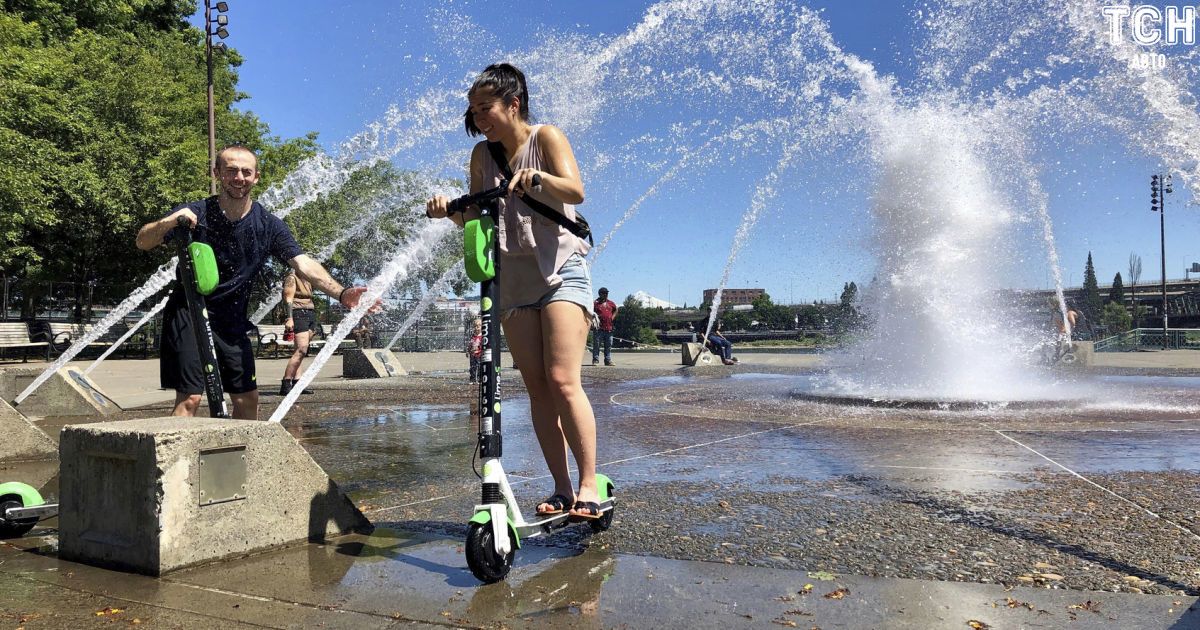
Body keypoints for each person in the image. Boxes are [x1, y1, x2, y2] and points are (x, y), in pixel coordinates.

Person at [425, 63, 602, 520]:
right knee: (538, 389)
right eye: (473, 110)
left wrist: (537, 179)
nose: (478, 117)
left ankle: (588, 484)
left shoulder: (546, 138)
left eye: (486, 107)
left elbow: (576, 191)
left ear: (513, 103)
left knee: (563, 381)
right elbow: (479, 219)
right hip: (514, 282)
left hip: (562, 271)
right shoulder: (482, 156)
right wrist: (449, 212)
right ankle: (562, 488)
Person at [136, 145, 369, 420]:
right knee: (190, 399)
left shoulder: (268, 225)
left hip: (232, 320)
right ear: (217, 174)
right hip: (189, 312)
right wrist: (170, 223)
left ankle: (236, 460)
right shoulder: (195, 213)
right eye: (231, 170)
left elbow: (303, 263)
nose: (239, 177)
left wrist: (342, 294)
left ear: (256, 177)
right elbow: (143, 241)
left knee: (248, 401)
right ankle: (177, 462)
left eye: (246, 172)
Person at [280, 270, 318, 396]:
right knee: (301, 350)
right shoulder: (292, 278)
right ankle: (286, 384)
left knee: (301, 351)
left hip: (310, 312)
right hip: (298, 313)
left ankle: (298, 384)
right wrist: (289, 318)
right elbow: (288, 298)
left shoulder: (308, 279)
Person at [591, 287, 618, 366]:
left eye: (607, 293)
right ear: (600, 294)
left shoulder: (611, 303)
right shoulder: (595, 303)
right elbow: (590, 312)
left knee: (608, 346)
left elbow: (616, 309)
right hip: (599, 328)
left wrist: (612, 317)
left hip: (609, 328)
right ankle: (595, 360)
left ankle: (608, 360)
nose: (606, 295)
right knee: (597, 345)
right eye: (604, 293)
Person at [466, 318, 484, 383]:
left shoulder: (482, 336)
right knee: (472, 368)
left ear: (482, 327)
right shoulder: (472, 336)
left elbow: (483, 346)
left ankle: (480, 379)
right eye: (475, 326)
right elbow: (470, 344)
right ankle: (472, 379)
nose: (477, 328)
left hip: (479, 354)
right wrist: (467, 351)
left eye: (478, 326)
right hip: (472, 354)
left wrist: (481, 350)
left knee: (479, 367)